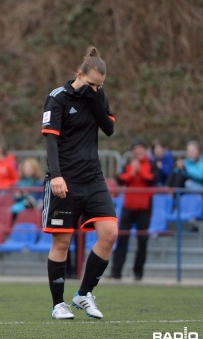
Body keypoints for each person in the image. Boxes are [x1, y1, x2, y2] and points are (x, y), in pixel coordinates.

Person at [41, 46, 117, 320]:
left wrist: (95, 97)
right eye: (91, 83)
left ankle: (84, 294)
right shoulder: (57, 98)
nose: (95, 89)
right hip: (65, 178)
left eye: (100, 86)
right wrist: (56, 175)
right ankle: (58, 304)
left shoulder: (97, 95)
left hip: (93, 178)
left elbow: (108, 129)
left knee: (109, 233)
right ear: (79, 74)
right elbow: (51, 139)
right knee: (62, 243)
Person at [110, 140, 158, 280]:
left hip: (144, 208)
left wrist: (140, 171)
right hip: (128, 207)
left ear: (145, 150)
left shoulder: (152, 165)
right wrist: (131, 173)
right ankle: (116, 272)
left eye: (140, 149)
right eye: (135, 149)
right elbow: (120, 179)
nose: (138, 152)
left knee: (142, 241)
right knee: (122, 238)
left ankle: (138, 273)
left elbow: (152, 179)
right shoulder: (128, 165)